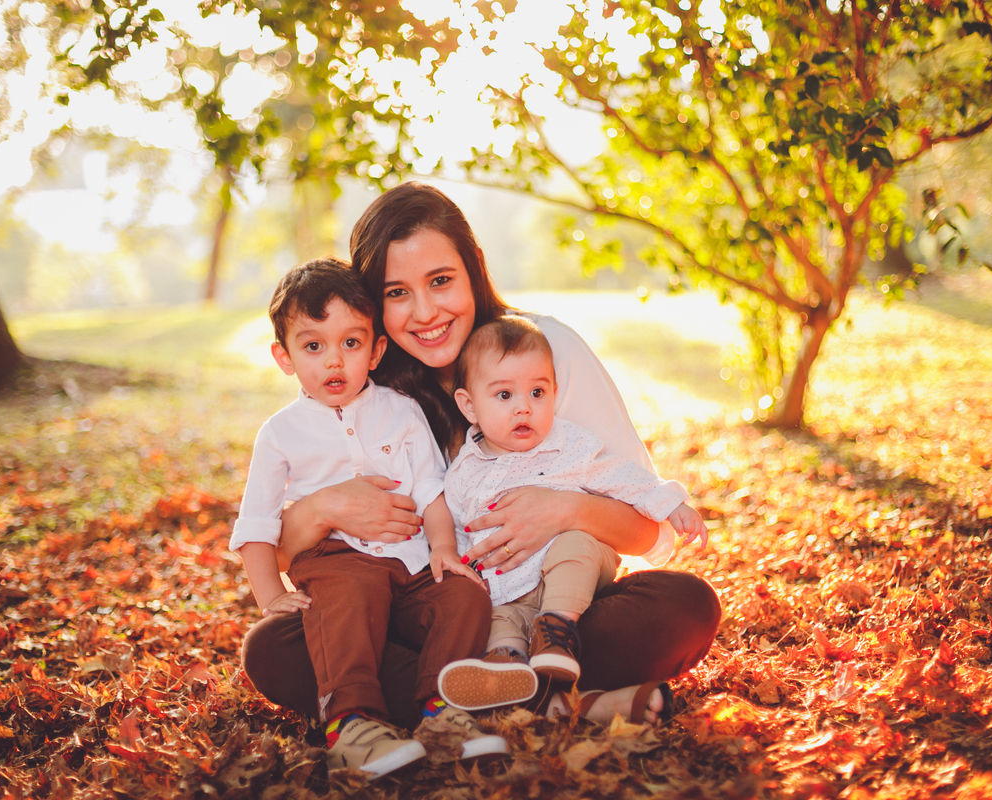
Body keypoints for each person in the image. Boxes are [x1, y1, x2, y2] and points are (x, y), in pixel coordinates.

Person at [241, 182, 722, 730]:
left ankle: (482, 696)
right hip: (435, 612)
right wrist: (323, 508)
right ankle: (540, 701)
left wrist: (566, 510)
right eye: (397, 292)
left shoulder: (545, 352)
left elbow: (645, 534)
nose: (425, 312)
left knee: (684, 605)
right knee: (276, 647)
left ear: (475, 269)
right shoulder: (365, 388)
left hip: (560, 610)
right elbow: (287, 556)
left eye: (441, 281)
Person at [230, 258, 505, 779]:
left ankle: (442, 711)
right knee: (347, 597)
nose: (334, 361)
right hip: (338, 564)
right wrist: (270, 599)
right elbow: (256, 526)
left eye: (351, 344)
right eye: (313, 346)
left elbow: (431, 490)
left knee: (465, 595)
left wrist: (444, 550)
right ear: (284, 357)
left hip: (413, 565)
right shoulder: (280, 433)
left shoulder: (401, 410)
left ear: (377, 350)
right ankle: (352, 724)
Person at [436, 316, 709, 711]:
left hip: (574, 584)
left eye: (537, 392)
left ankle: (556, 628)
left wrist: (670, 504)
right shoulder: (465, 469)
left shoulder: (569, 446)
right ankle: (508, 669)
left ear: (554, 393)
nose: (524, 408)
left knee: (574, 544)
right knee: (497, 620)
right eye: (504, 396)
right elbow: (462, 528)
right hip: (506, 592)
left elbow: (620, 478)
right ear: (469, 405)